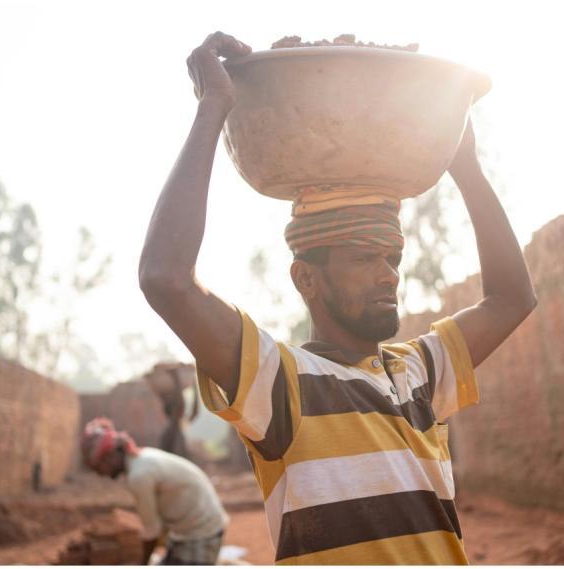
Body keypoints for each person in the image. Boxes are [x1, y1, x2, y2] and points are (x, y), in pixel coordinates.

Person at [138, 31, 536, 564]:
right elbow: (166, 279)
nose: (387, 274)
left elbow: (513, 298)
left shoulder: (418, 373)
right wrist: (213, 107)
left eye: (392, 258)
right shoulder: (279, 384)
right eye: (363, 258)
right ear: (306, 279)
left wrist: (463, 163)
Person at [81, 417, 228, 565]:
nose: (101, 474)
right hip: (186, 530)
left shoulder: (139, 476)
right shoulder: (141, 459)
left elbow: (152, 532)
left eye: (99, 467)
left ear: (111, 456)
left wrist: (143, 564)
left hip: (202, 531)